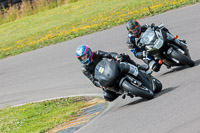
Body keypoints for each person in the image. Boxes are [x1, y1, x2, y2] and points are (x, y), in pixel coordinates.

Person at [75, 45, 141, 102]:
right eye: (81, 58)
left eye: (84, 56)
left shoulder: (97, 53)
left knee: (124, 56)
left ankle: (137, 66)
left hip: (110, 69)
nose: (83, 59)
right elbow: (93, 80)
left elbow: (109, 54)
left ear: (89, 53)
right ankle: (123, 91)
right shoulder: (85, 69)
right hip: (105, 80)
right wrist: (100, 84)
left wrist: (116, 56)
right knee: (107, 96)